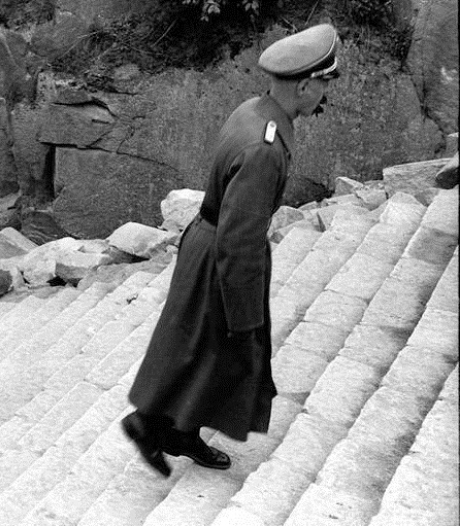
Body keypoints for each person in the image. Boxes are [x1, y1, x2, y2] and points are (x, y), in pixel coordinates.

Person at [123, 23, 341, 477]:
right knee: (217, 345)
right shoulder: (265, 148)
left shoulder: (255, 110)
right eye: (324, 84)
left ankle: (182, 433)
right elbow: (240, 238)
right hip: (222, 252)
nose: (325, 95)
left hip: (207, 237)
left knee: (203, 345)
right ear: (303, 85)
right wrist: (245, 316)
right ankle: (147, 423)